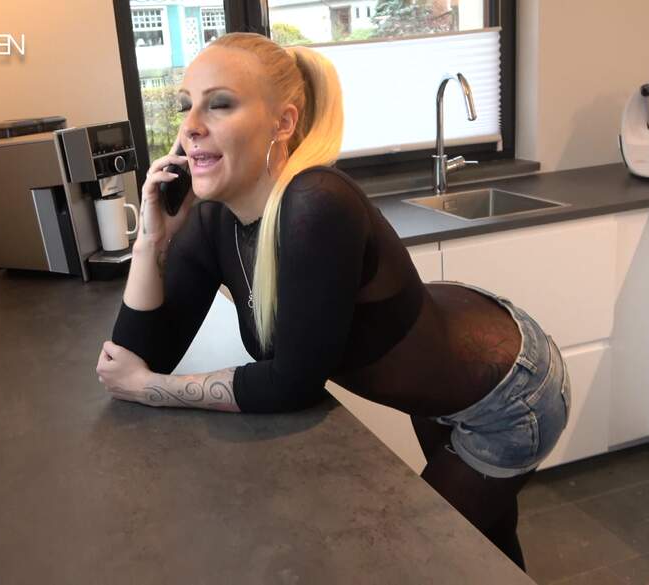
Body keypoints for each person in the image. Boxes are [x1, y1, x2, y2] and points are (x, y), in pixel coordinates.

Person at [96, 31, 570, 571]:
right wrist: (152, 239)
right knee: (483, 541)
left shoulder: (315, 203)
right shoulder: (212, 221)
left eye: (219, 104)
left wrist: (150, 388)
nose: (191, 126)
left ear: (283, 123)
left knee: (426, 560)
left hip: (508, 392)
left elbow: (290, 383)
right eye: (186, 106)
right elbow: (132, 357)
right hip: (444, 384)